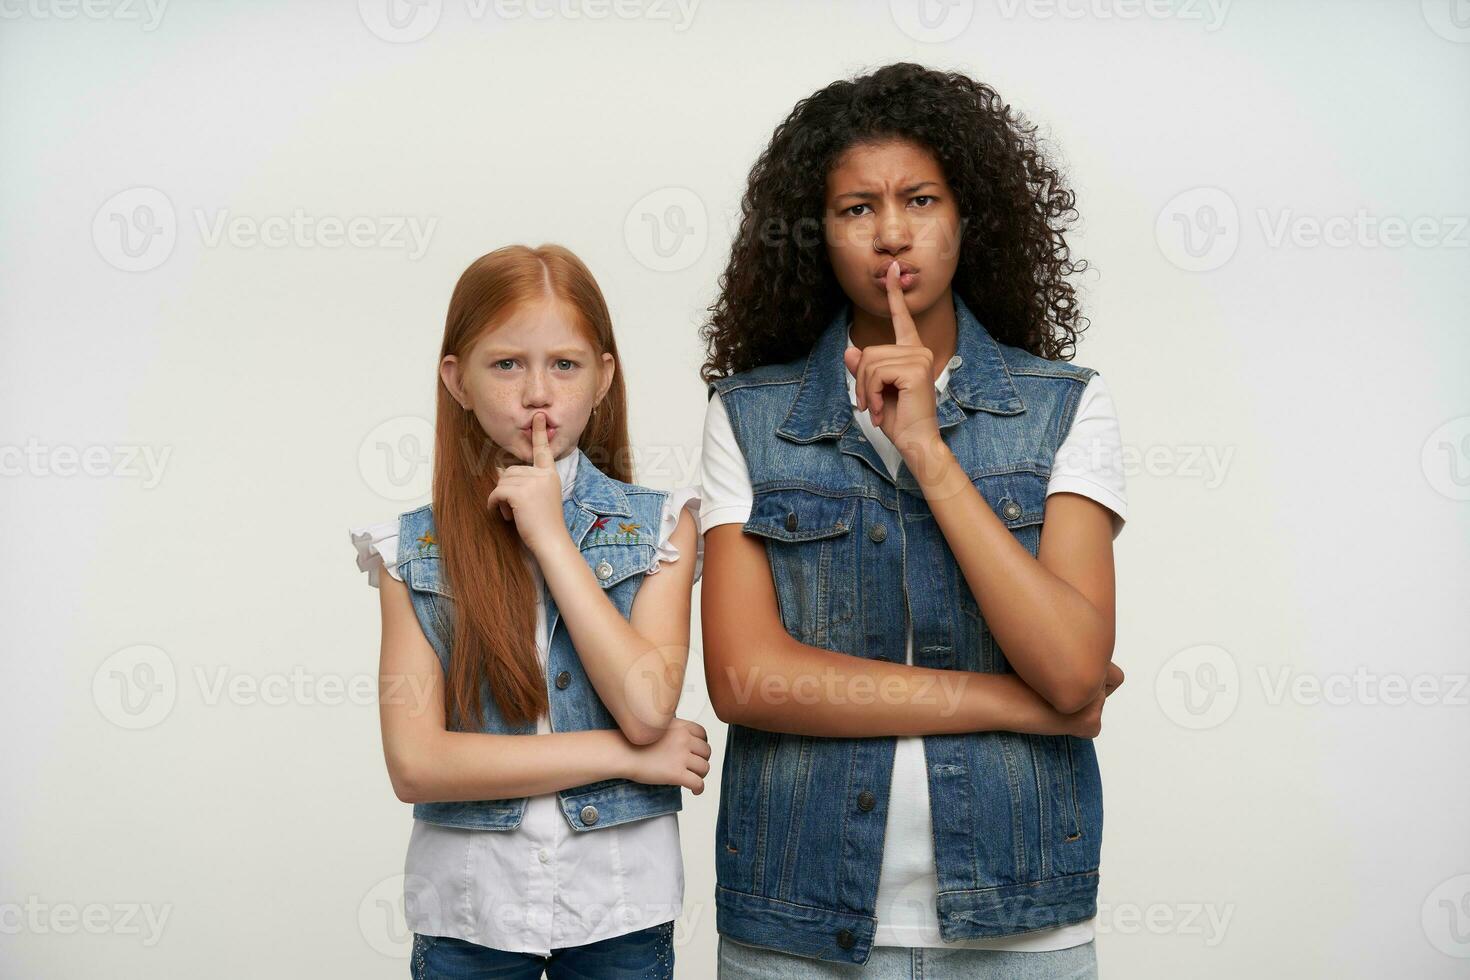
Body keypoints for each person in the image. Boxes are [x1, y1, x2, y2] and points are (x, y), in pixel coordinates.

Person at [697, 63, 1127, 979]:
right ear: (816, 234)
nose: (892, 234)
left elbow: (1072, 663)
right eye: (857, 208)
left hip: (1018, 924)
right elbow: (745, 679)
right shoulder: (749, 414)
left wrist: (931, 453)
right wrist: (1023, 707)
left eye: (920, 199)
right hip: (797, 924)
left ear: (969, 217)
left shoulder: (1064, 410)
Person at [349, 243, 709, 979]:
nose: (537, 393)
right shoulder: (410, 551)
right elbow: (417, 764)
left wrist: (550, 537)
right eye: (507, 364)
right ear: (458, 380)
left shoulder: (663, 525)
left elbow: (646, 708)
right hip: (471, 909)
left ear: (604, 376)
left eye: (565, 365)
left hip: (620, 904)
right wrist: (622, 758)